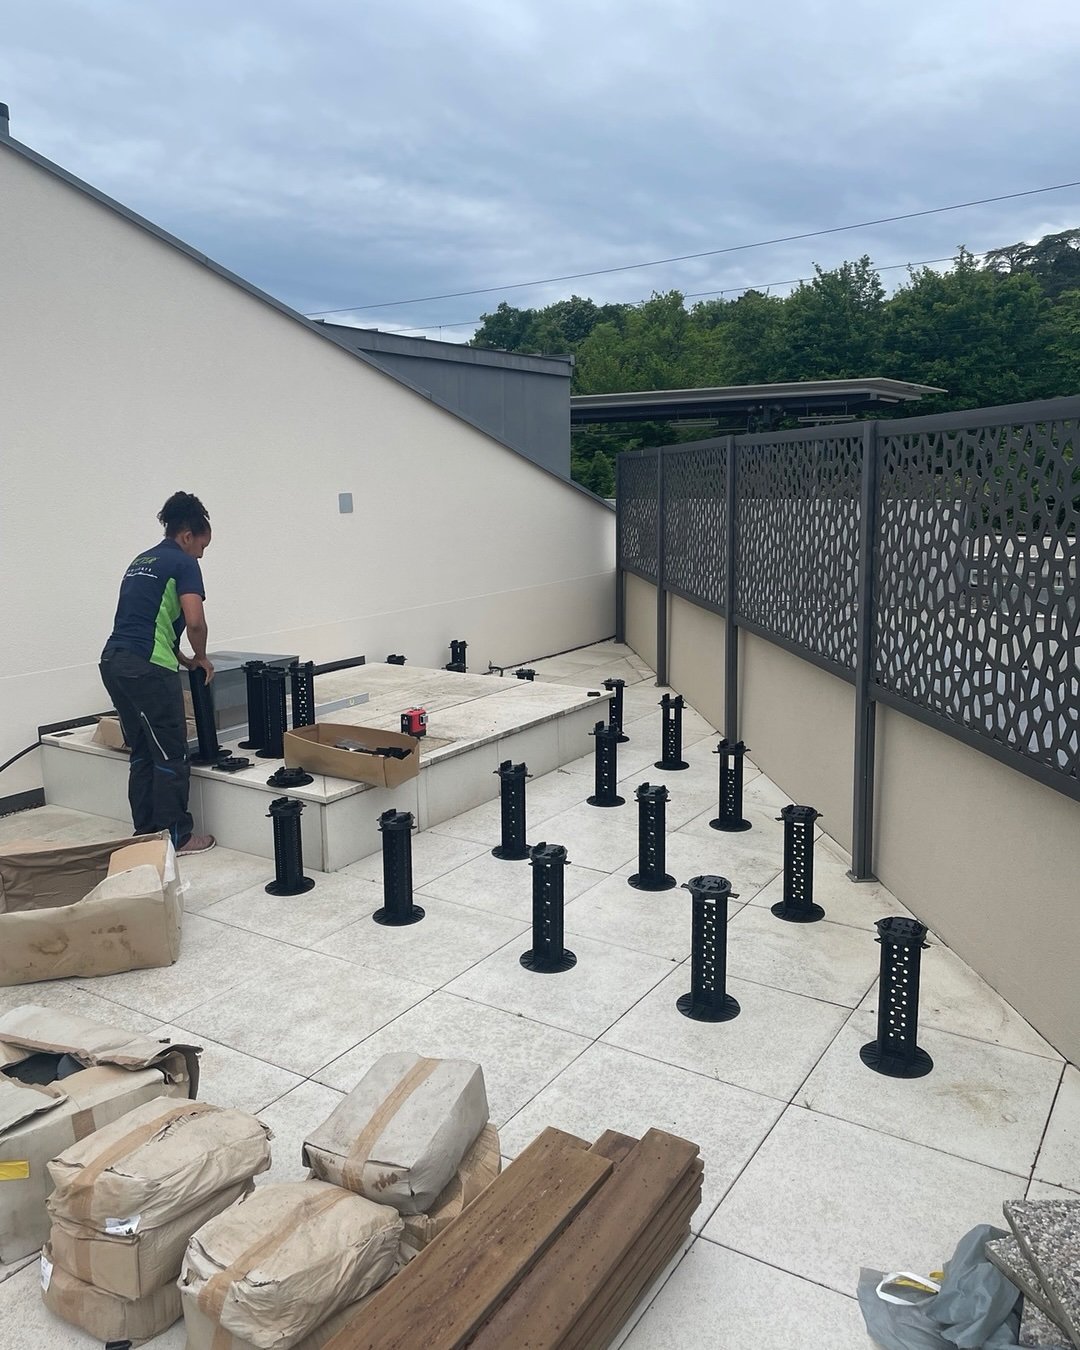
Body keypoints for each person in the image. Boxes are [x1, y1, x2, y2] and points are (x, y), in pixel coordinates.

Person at [100, 492, 217, 854]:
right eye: (202, 546)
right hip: (148, 670)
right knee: (171, 752)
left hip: (114, 662)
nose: (201, 555)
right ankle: (178, 836)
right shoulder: (183, 563)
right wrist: (201, 656)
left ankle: (146, 830)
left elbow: (146, 622)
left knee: (143, 751)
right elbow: (194, 621)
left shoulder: (142, 560)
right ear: (187, 536)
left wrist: (182, 658)